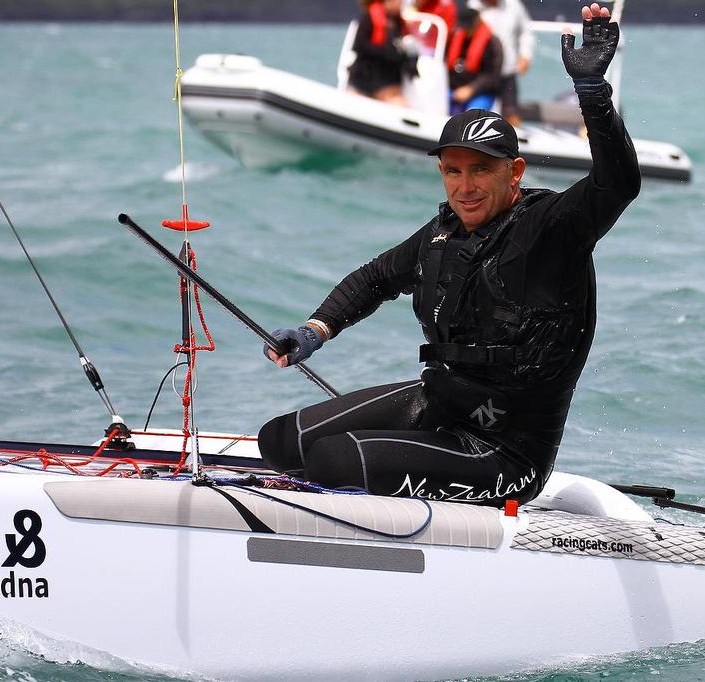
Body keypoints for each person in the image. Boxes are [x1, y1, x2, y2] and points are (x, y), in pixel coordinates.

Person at [259, 3, 640, 507]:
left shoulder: (553, 229)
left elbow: (618, 183)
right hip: (438, 405)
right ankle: (403, 456)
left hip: (504, 453)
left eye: (481, 170)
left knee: (335, 460)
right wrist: (314, 330)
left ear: (515, 171)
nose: (465, 187)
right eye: (452, 171)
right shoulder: (444, 232)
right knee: (279, 441)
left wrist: (593, 96)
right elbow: (376, 278)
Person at [472, 0, 534, 126]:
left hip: (507, 70)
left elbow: (526, 32)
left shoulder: (514, 5)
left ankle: (513, 142)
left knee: (511, 114)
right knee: (475, 113)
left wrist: (525, 55)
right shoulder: (474, 6)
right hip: (483, 72)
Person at [348, 0, 418, 106]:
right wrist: (387, 52)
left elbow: (404, 51)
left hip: (388, 81)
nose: (400, 3)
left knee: (400, 104)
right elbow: (359, 45)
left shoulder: (399, 24)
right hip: (365, 78)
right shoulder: (368, 18)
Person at [445, 8, 503, 114]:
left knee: (472, 115)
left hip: (480, 93)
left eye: (468, 27)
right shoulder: (454, 37)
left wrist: (471, 89)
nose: (465, 31)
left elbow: (492, 76)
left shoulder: (492, 43)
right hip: (454, 90)